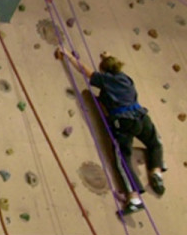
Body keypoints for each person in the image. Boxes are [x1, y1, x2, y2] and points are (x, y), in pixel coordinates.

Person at [60, 48, 166, 215]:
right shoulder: (126, 79)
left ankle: (134, 198)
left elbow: (84, 70)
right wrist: (107, 58)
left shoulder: (105, 79)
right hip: (141, 116)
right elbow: (113, 67)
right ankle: (157, 173)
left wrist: (69, 56)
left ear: (105, 71)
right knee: (155, 142)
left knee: (122, 159)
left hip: (124, 122)